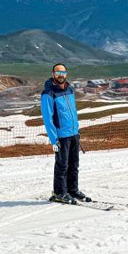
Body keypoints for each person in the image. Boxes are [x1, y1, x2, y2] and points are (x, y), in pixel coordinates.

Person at [41, 63, 89, 204]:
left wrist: (77, 131)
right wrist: (53, 140)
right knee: (62, 166)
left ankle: (72, 190)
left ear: (66, 74)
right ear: (53, 74)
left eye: (63, 73)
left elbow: (72, 112)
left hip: (73, 133)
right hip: (61, 136)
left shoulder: (70, 90)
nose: (60, 76)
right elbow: (47, 118)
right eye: (57, 73)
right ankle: (59, 193)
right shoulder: (48, 93)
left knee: (74, 164)